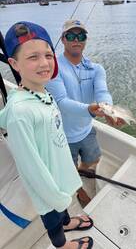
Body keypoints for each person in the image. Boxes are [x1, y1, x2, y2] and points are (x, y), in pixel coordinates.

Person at [0, 21, 94, 249]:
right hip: (46, 188)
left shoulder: (41, 92)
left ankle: (68, 221)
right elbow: (31, 168)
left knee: (62, 211)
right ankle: (62, 245)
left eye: (48, 55)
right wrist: (55, 197)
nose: (44, 63)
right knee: (52, 220)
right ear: (14, 64)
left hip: (58, 175)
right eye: (33, 57)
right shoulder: (20, 111)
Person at [46, 19, 124, 207]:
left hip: (85, 128)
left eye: (81, 35)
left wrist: (109, 111)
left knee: (94, 159)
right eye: (71, 35)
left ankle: (81, 170)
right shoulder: (52, 67)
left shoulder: (96, 68)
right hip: (62, 134)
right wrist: (90, 109)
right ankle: (79, 190)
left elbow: (102, 92)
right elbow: (62, 102)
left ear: (85, 40)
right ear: (63, 39)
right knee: (68, 170)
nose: (76, 40)